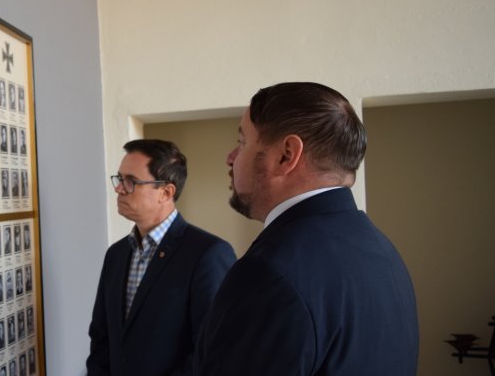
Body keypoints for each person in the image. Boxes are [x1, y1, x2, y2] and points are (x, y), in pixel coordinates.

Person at [193, 82, 419, 375]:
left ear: (287, 154)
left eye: (242, 142)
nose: (230, 157)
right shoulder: (383, 251)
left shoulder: (268, 272)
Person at [87, 139, 236, 376]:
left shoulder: (208, 254)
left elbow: (212, 350)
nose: (118, 188)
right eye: (119, 178)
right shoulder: (116, 255)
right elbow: (101, 337)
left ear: (166, 192)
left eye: (131, 182)